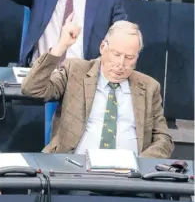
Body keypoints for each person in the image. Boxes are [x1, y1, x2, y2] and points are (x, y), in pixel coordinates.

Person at [22, 20, 173, 158]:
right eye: (116, 54)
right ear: (103, 47)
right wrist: (60, 46)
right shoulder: (75, 71)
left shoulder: (149, 87)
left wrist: (140, 164)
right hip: (74, 172)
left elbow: (163, 139)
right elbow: (32, 89)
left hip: (129, 179)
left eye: (129, 57)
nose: (120, 63)